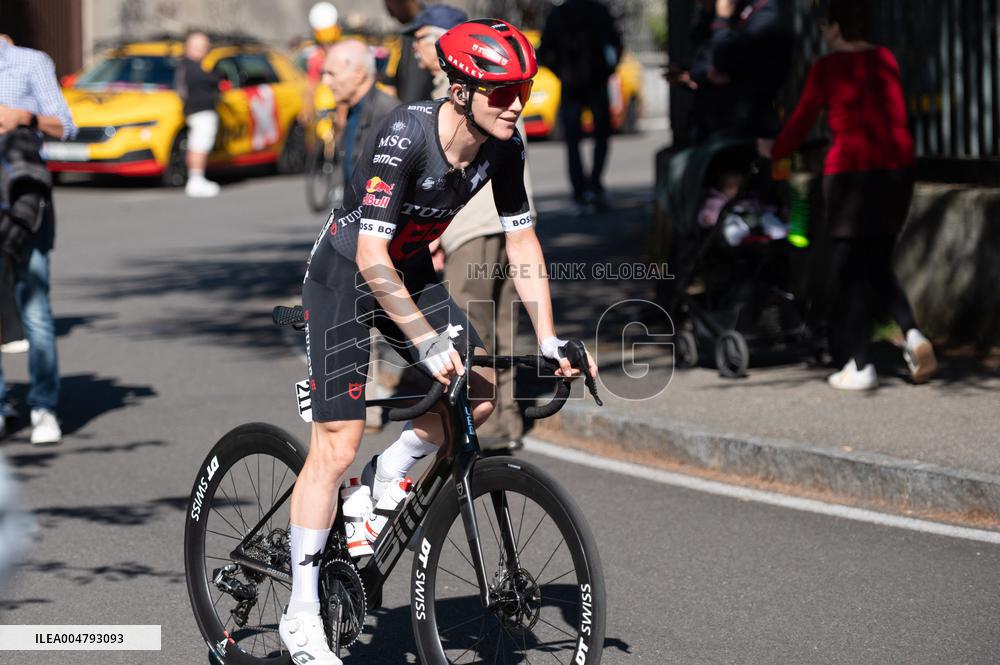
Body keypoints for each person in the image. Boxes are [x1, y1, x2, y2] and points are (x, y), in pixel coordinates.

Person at [281, 20, 596, 664]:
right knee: (337, 446)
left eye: (523, 90)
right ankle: (301, 614)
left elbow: (521, 241)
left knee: (477, 392)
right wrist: (424, 341)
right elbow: (371, 255)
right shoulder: (405, 134)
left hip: (411, 274)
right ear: (460, 92)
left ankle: (387, 478)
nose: (517, 104)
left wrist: (549, 338)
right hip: (346, 275)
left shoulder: (504, 144)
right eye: (502, 92)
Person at [758, 0, 937, 390]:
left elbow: (802, 120)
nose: (823, 32)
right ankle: (913, 335)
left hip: (852, 174)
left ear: (836, 26)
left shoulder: (828, 67)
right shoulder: (885, 58)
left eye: (825, 25)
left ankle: (860, 364)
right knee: (877, 262)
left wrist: (774, 150)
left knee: (850, 270)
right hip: (897, 171)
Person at [409, 4, 538, 450]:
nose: (416, 48)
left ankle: (486, 430)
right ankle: (504, 423)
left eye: (422, 37)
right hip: (501, 224)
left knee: (474, 328)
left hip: (473, 227)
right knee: (500, 324)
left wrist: (434, 235)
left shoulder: (467, 95)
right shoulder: (489, 88)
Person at [0, 35, 76, 444]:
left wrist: (23, 117)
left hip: (23, 201)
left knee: (35, 308)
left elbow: (66, 125)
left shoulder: (29, 62)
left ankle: (44, 407)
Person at [538, 0, 623, 213]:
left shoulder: (560, 14)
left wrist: (561, 73)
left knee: (573, 141)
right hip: (593, 83)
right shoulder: (598, 12)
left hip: (574, 84)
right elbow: (616, 44)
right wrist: (607, 70)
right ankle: (593, 186)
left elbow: (545, 51)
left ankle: (582, 190)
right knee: (599, 137)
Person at [704, 0, 793, 140]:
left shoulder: (766, 18)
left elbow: (723, 56)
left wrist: (722, 20)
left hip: (751, 124)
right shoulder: (746, 10)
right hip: (734, 119)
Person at [320, 40, 399, 185]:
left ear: (359, 74)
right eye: (324, 73)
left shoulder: (389, 114)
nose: (325, 81)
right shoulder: (351, 108)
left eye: (331, 74)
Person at [175, 31, 221, 198]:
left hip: (197, 111)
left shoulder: (188, 66)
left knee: (197, 144)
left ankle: (196, 178)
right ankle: (196, 179)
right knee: (199, 145)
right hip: (200, 112)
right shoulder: (193, 68)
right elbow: (212, 81)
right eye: (203, 46)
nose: (206, 50)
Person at [384, 0, 435, 103]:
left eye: (391, 5)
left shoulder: (421, 31)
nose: (391, 14)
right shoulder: (411, 29)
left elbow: (412, 92)